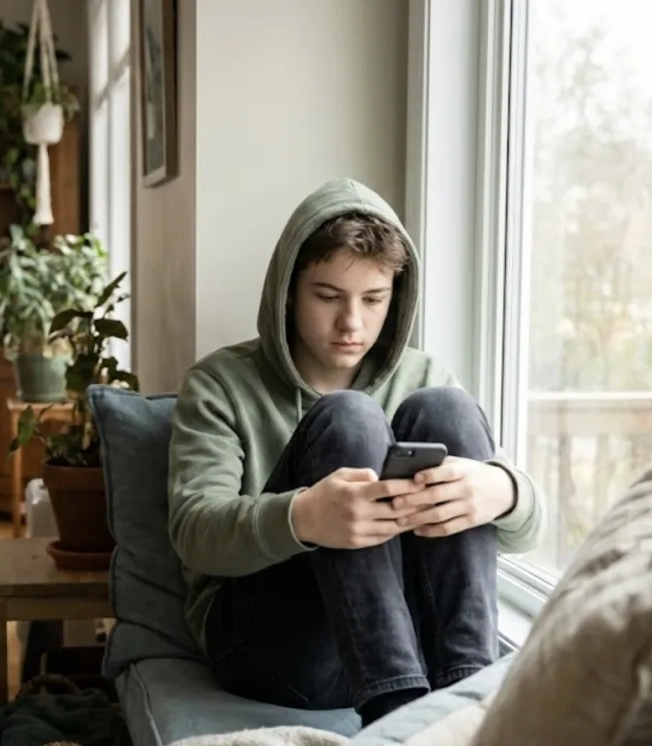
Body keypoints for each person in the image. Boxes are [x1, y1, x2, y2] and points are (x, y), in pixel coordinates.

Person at [168, 178, 546, 728]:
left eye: (374, 300)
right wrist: (304, 517)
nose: (352, 323)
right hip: (274, 647)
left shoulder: (424, 377)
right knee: (349, 418)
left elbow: (525, 534)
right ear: (288, 291)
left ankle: (466, 700)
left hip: (417, 644)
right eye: (327, 297)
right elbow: (193, 534)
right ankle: (396, 720)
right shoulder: (220, 384)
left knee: (449, 410)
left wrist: (503, 490)